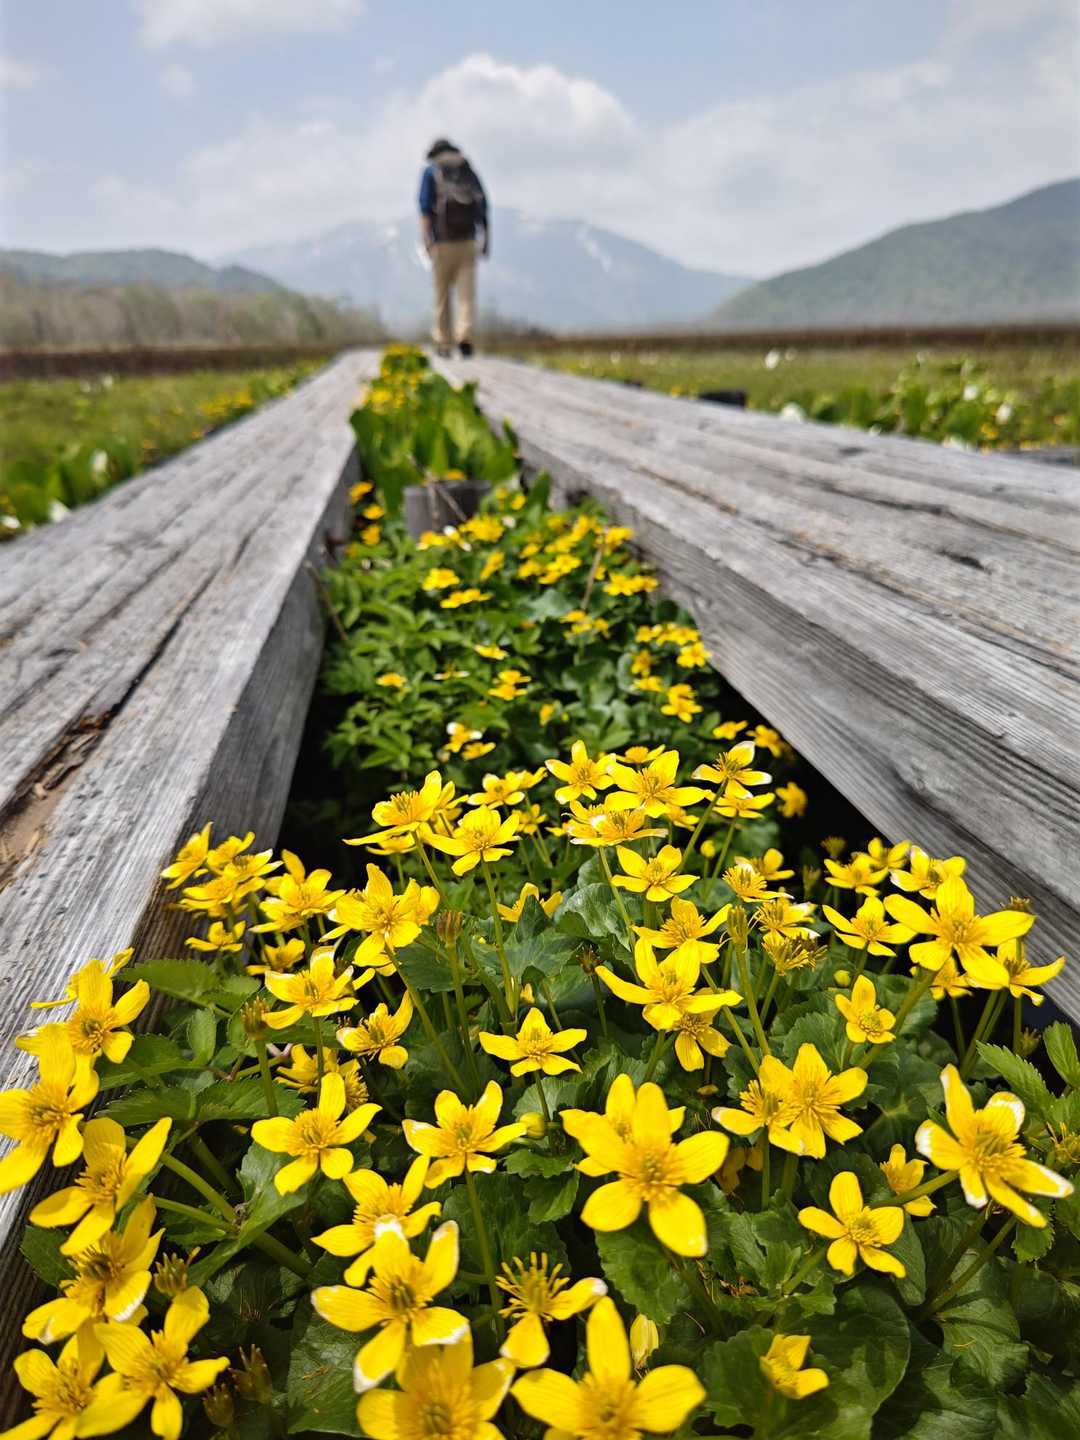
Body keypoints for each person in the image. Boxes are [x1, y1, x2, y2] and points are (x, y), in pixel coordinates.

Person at [418, 138, 489, 357]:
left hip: (442, 242)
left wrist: (426, 240)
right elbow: (483, 205)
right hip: (468, 240)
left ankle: (443, 340)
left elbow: (425, 208)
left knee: (442, 294)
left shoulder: (432, 171)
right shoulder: (466, 169)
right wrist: (485, 239)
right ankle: (464, 335)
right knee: (466, 294)